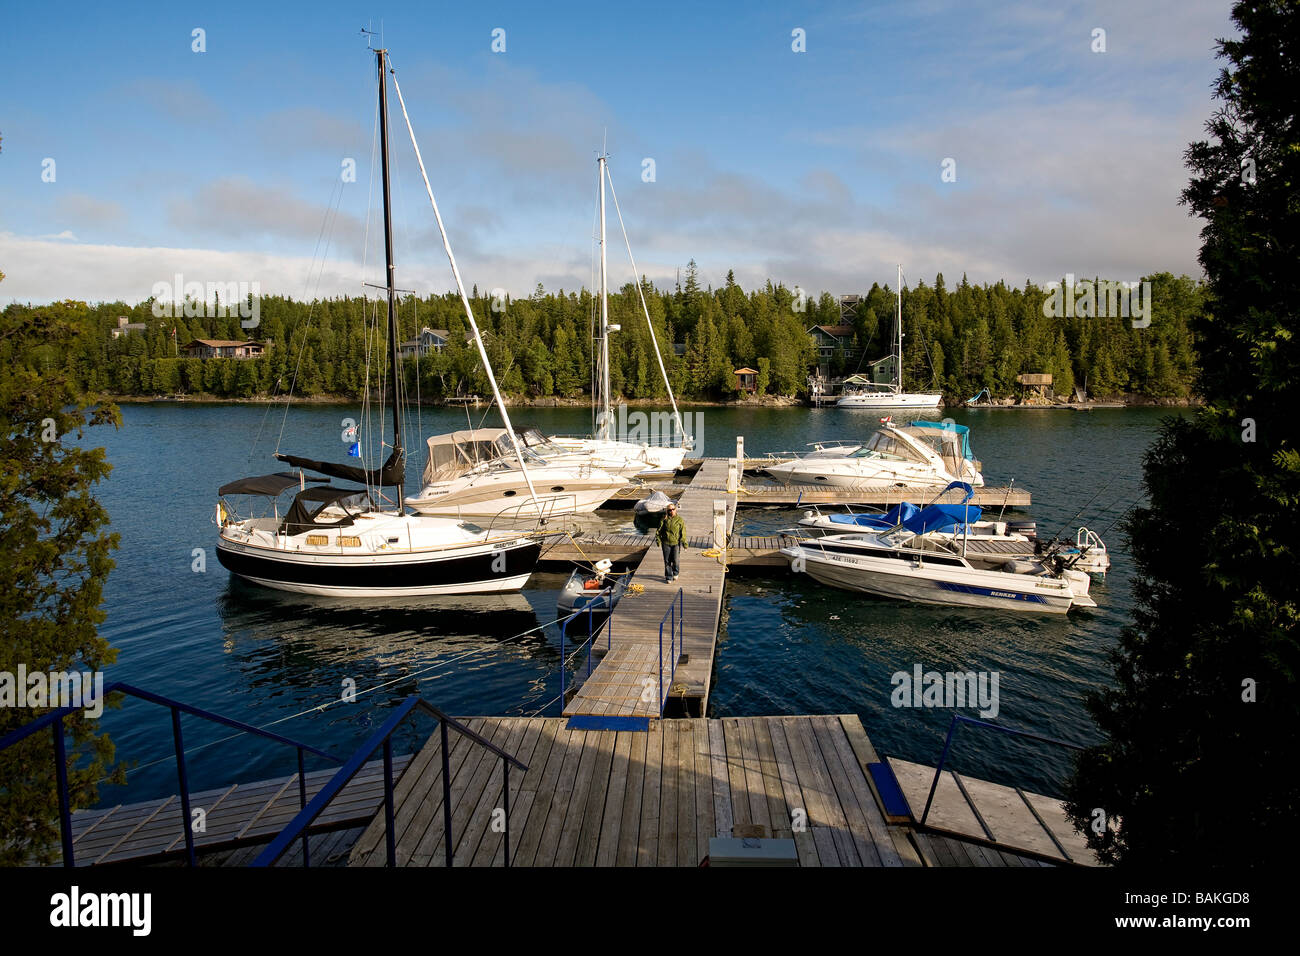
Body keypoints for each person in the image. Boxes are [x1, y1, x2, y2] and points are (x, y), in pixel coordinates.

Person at [656, 502, 686, 583]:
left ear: (675, 510)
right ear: (667, 511)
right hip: (666, 543)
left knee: (676, 560)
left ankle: (675, 573)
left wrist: (684, 543)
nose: (671, 511)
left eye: (673, 509)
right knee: (667, 561)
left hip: (676, 543)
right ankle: (669, 576)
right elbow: (658, 531)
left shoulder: (680, 520)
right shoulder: (664, 519)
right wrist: (658, 540)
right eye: (670, 510)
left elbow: (683, 532)